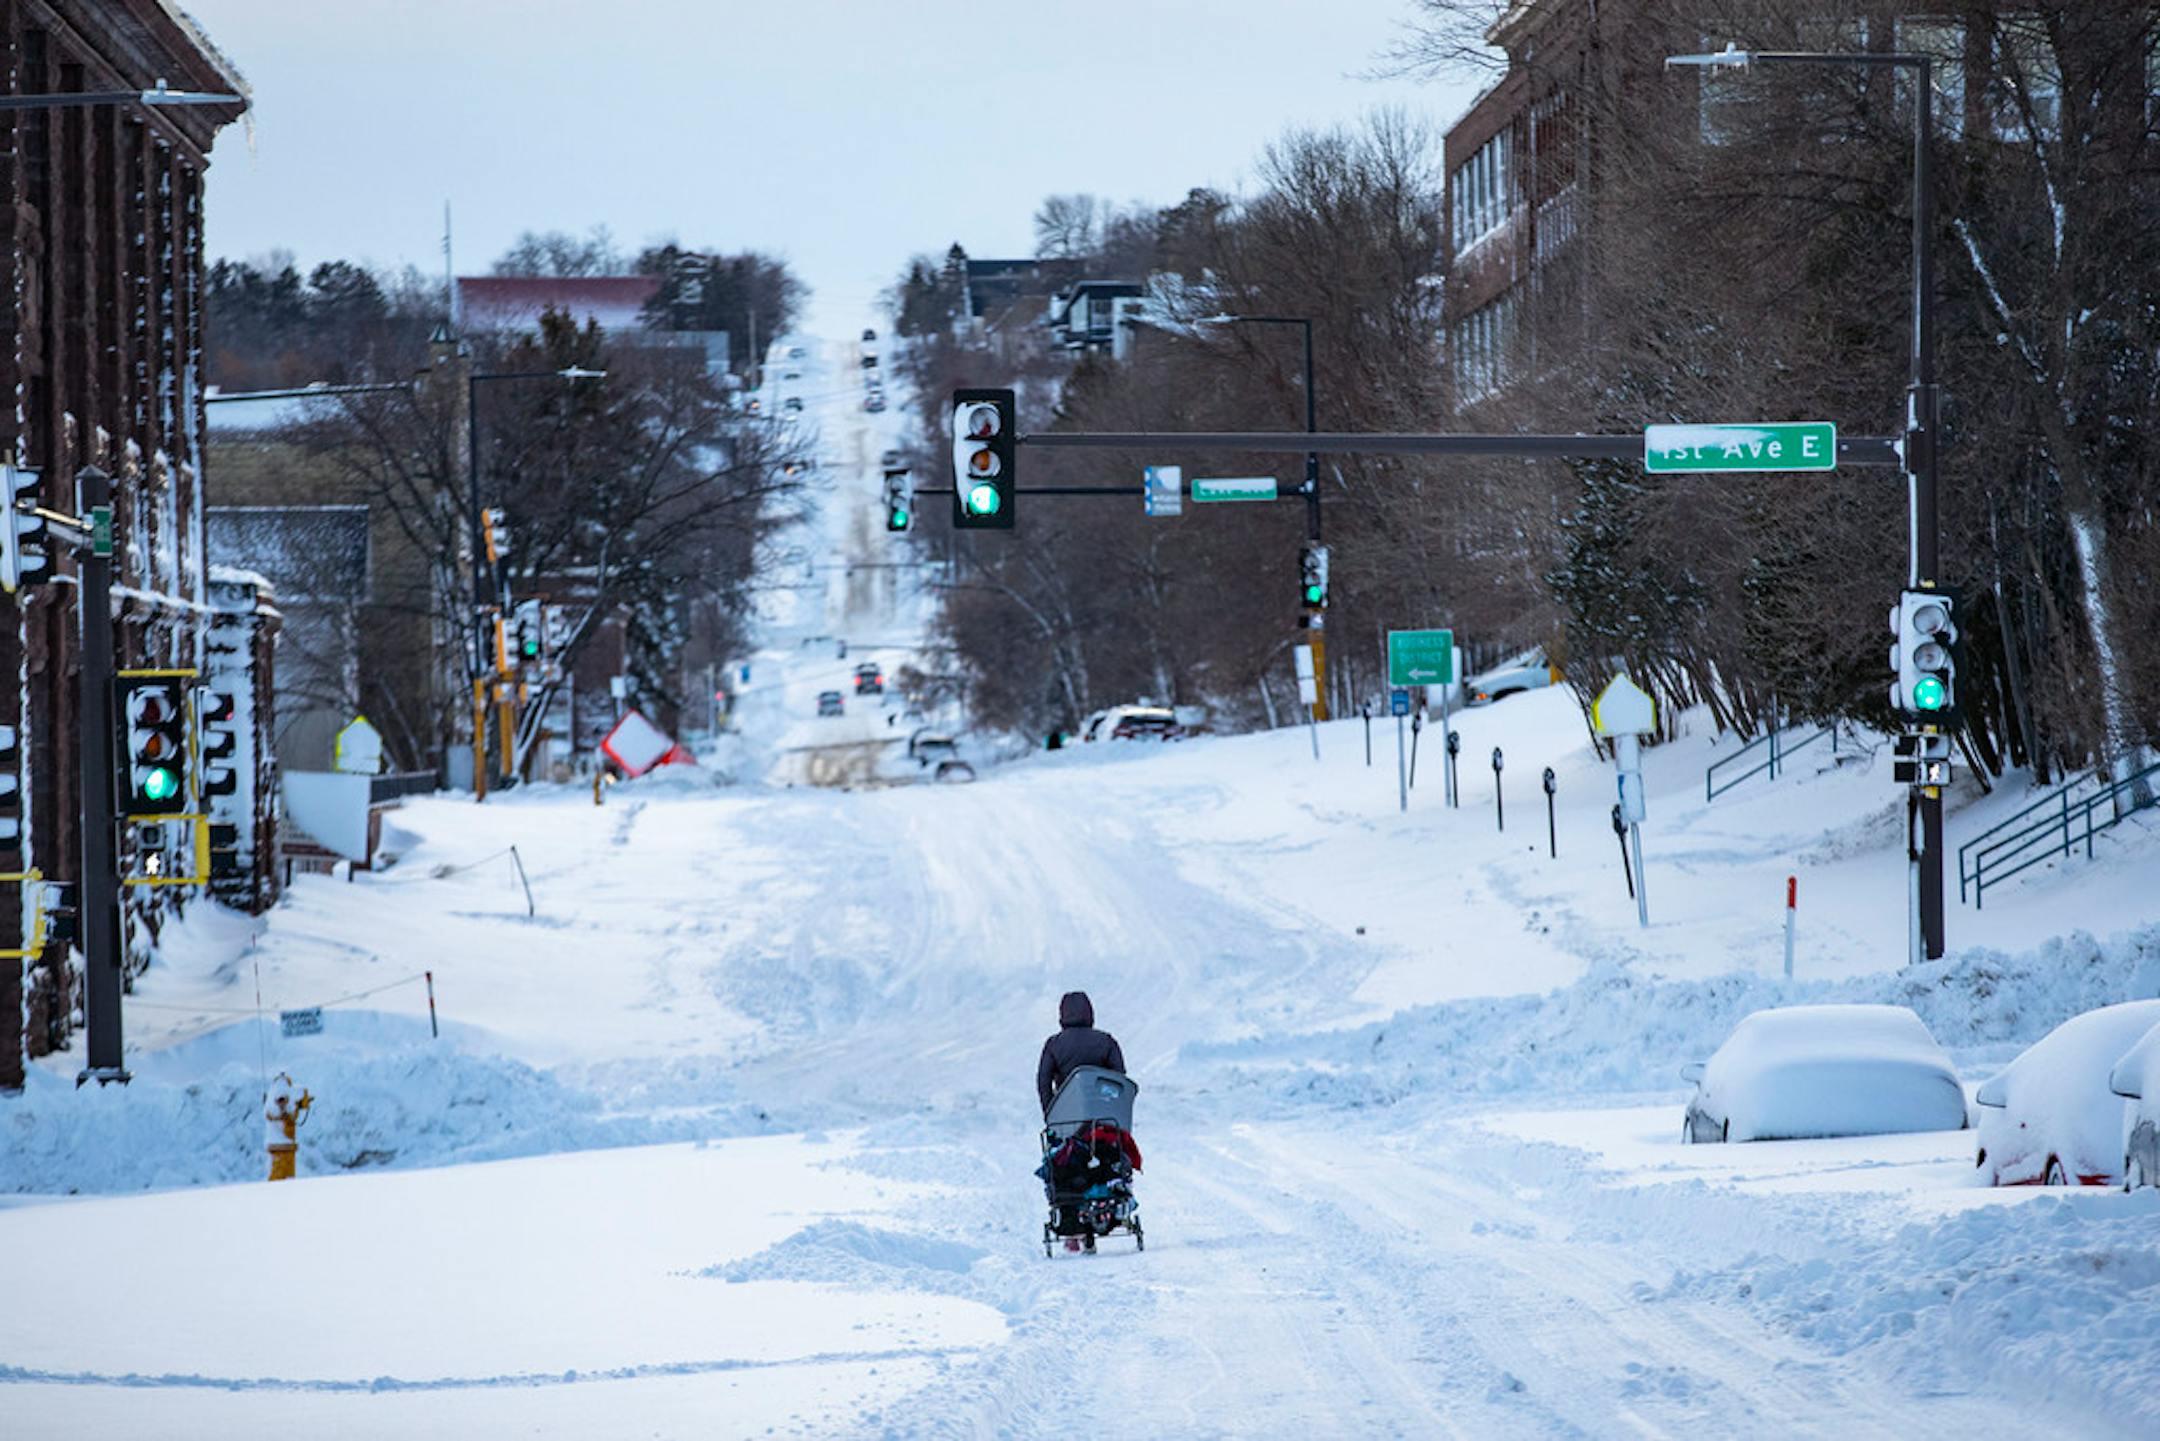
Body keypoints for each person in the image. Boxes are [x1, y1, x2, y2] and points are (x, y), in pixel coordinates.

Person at [1036, 990, 1125, 1113]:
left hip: (1067, 1113)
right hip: (1102, 1112)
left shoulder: (1053, 1044)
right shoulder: (1106, 1041)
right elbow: (1119, 1076)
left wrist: (1050, 1111)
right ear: (1090, 1013)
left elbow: (1043, 1080)